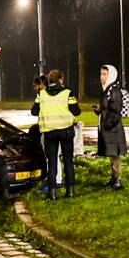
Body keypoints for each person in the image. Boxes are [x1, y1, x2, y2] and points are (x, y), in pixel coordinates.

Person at [31, 69, 80, 199]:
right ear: (61, 79)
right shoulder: (68, 92)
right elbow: (76, 111)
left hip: (49, 133)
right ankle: (70, 191)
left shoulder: (41, 94)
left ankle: (51, 192)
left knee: (52, 162)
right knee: (68, 161)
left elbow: (34, 112)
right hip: (66, 131)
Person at [93, 64, 127, 189]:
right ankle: (114, 179)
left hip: (113, 129)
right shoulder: (106, 90)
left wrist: (107, 125)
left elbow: (115, 111)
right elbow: (107, 108)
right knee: (112, 155)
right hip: (108, 128)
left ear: (111, 75)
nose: (101, 76)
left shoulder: (114, 90)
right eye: (101, 73)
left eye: (104, 74)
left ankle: (117, 180)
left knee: (115, 155)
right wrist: (99, 111)